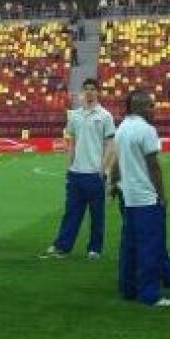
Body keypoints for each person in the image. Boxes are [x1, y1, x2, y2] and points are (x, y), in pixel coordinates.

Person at [108, 90, 170, 307]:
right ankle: (150, 294)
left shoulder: (122, 128)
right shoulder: (147, 130)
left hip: (129, 196)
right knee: (149, 247)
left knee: (129, 246)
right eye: (151, 105)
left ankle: (127, 289)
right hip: (146, 198)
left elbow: (116, 162)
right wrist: (162, 195)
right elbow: (153, 166)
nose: (154, 110)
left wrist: (112, 184)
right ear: (142, 107)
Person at [41, 78, 115, 260]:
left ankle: (94, 249)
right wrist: (69, 167)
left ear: (98, 92)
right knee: (71, 212)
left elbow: (110, 145)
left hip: (95, 173)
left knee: (97, 215)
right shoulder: (74, 115)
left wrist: (103, 169)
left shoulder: (105, 116)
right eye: (86, 89)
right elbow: (72, 144)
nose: (89, 92)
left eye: (93, 89)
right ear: (82, 92)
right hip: (76, 173)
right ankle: (62, 246)